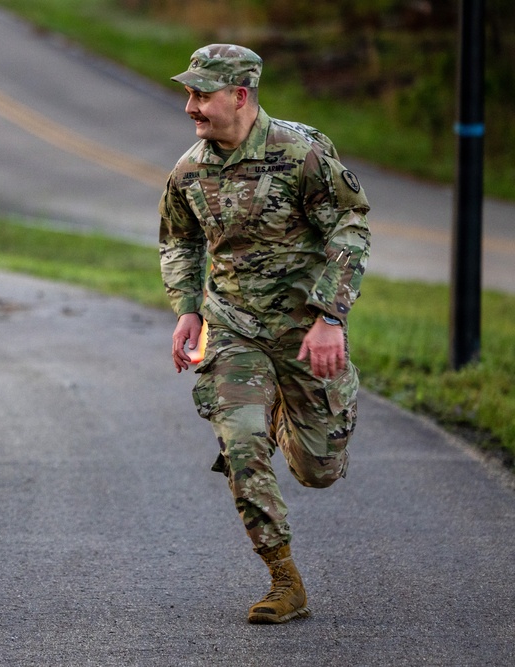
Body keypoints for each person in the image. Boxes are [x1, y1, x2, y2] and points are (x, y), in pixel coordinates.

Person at [159, 44, 371, 624]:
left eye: (201, 95)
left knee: (318, 469)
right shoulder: (188, 171)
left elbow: (351, 226)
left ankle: (289, 407)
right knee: (241, 441)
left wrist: (331, 317)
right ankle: (283, 579)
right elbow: (180, 240)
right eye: (189, 94)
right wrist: (187, 309)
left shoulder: (301, 154)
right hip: (232, 328)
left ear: (239, 96)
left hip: (306, 330)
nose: (190, 107)